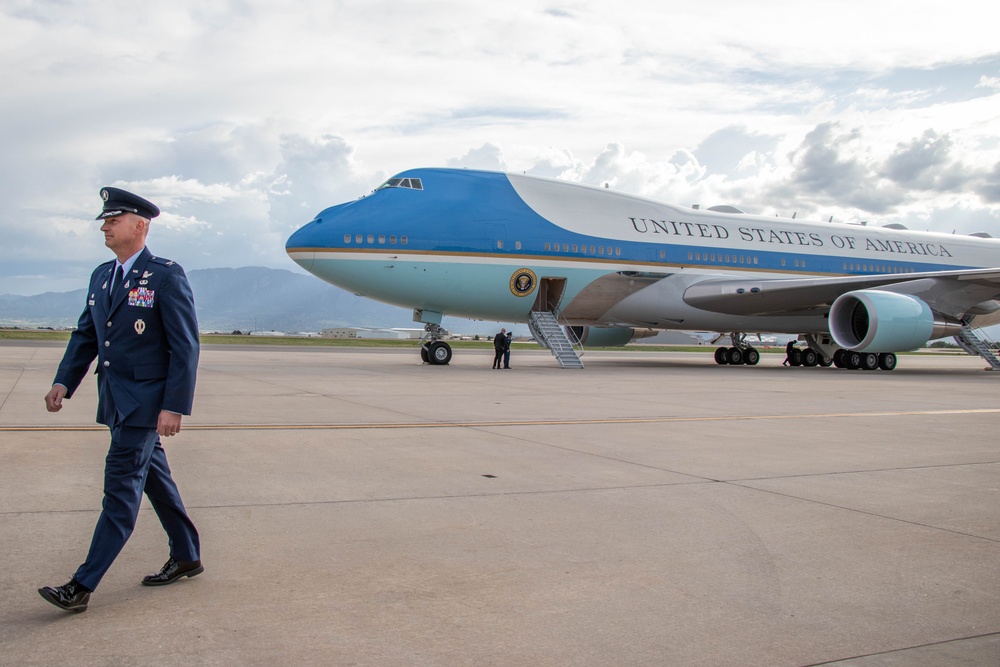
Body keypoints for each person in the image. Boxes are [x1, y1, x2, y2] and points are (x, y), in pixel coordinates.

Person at [38, 187, 203, 613]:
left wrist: (174, 406)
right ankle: (186, 554)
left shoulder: (165, 275)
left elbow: (185, 346)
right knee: (154, 478)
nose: (106, 226)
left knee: (120, 490)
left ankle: (81, 585)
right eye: (104, 221)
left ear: (140, 226)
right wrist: (64, 381)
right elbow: (87, 335)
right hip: (115, 400)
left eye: (114, 219)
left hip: (146, 404)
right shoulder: (101, 275)